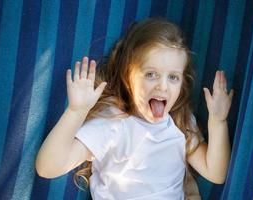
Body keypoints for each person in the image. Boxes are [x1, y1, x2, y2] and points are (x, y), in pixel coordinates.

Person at [35, 18, 234, 200]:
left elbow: (215, 173)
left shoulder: (180, 122)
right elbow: (47, 168)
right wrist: (75, 112)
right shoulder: (111, 124)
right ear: (128, 76)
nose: (163, 86)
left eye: (173, 77)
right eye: (150, 74)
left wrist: (218, 121)